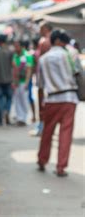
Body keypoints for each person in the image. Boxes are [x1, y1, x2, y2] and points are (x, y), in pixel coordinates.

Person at [37, 30, 79, 177]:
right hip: (69, 98)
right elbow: (77, 73)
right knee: (65, 133)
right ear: (58, 41)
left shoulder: (43, 59)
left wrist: (40, 109)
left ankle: (42, 160)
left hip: (51, 100)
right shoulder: (70, 54)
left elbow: (40, 85)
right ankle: (61, 166)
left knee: (47, 131)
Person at [33, 22, 53, 135]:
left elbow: (40, 60)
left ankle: (42, 124)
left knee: (41, 99)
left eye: (41, 28)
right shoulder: (53, 41)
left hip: (43, 74)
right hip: (51, 76)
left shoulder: (44, 41)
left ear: (45, 29)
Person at [0, 35, 14, 126]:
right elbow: (12, 66)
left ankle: (0, 119)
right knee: (9, 98)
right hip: (8, 79)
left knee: (0, 99)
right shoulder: (10, 53)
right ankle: (7, 111)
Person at [12, 40, 34, 126]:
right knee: (17, 100)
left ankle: (24, 118)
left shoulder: (27, 56)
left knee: (24, 100)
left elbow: (29, 70)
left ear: (21, 46)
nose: (15, 48)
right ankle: (19, 118)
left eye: (17, 46)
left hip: (23, 82)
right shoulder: (14, 56)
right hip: (16, 82)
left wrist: (26, 82)